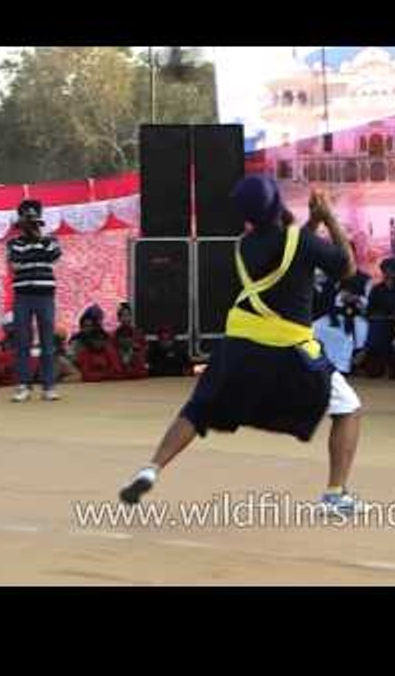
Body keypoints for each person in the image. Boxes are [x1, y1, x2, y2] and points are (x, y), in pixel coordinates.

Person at [120, 179, 365, 515]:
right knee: (348, 408)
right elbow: (347, 267)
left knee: (197, 408)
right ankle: (336, 495)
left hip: (239, 344)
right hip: (287, 348)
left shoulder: (246, 245)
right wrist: (329, 218)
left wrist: (313, 223)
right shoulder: (301, 242)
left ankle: (152, 468)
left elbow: (291, 250)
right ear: (277, 202)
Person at [7, 199, 62, 403]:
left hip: (45, 295)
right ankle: (23, 385)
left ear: (39, 221)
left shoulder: (51, 240)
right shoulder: (14, 243)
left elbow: (54, 257)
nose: (29, 226)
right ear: (20, 223)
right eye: (26, 221)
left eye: (33, 221)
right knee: (23, 341)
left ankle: (48, 387)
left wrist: (39, 238)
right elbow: (16, 263)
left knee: (47, 342)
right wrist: (31, 243)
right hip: (22, 296)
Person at [362, 258, 395, 379]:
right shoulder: (377, 289)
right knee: (378, 331)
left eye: (392, 271)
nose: (389, 274)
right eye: (386, 271)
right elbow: (370, 309)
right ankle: (376, 367)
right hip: (381, 321)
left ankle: (394, 369)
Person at [114, 303, 149, 380]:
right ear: (119, 318)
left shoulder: (138, 332)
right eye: (123, 315)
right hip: (120, 367)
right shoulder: (114, 334)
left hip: (136, 366)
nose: (125, 318)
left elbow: (145, 348)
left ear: (131, 317)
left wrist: (135, 349)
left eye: (127, 315)